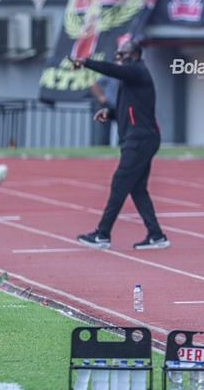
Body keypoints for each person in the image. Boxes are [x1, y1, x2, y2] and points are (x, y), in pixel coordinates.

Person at [69, 40, 169, 249]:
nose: (118, 58)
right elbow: (129, 110)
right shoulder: (130, 79)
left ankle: (102, 234)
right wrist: (110, 113)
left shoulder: (137, 71)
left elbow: (111, 69)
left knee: (119, 183)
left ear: (134, 56)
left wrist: (85, 61)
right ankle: (156, 235)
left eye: (122, 55)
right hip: (138, 138)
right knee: (137, 189)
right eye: (118, 55)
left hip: (140, 139)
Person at [90, 76, 119, 146]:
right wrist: (101, 97)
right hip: (108, 106)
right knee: (103, 130)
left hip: (121, 107)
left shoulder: (126, 73)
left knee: (123, 130)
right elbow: (93, 84)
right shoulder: (110, 74)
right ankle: (102, 147)